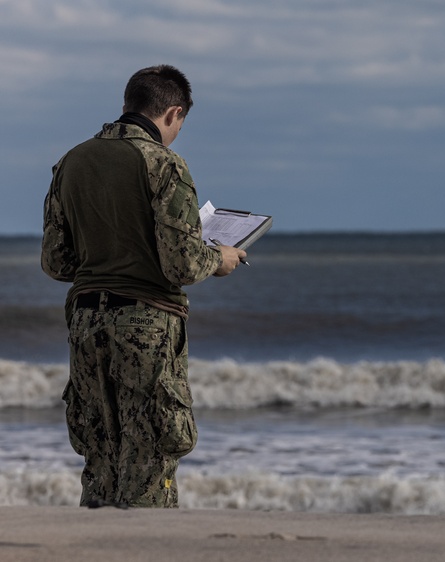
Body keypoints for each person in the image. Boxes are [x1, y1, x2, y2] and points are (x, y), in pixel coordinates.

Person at [41, 65, 245, 508]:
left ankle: (96, 549)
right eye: (180, 124)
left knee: (99, 451)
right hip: (147, 324)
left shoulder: (71, 162)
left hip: (86, 321)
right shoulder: (164, 164)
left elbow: (56, 261)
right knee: (151, 452)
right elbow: (184, 263)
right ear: (173, 113)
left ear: (126, 105)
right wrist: (222, 257)